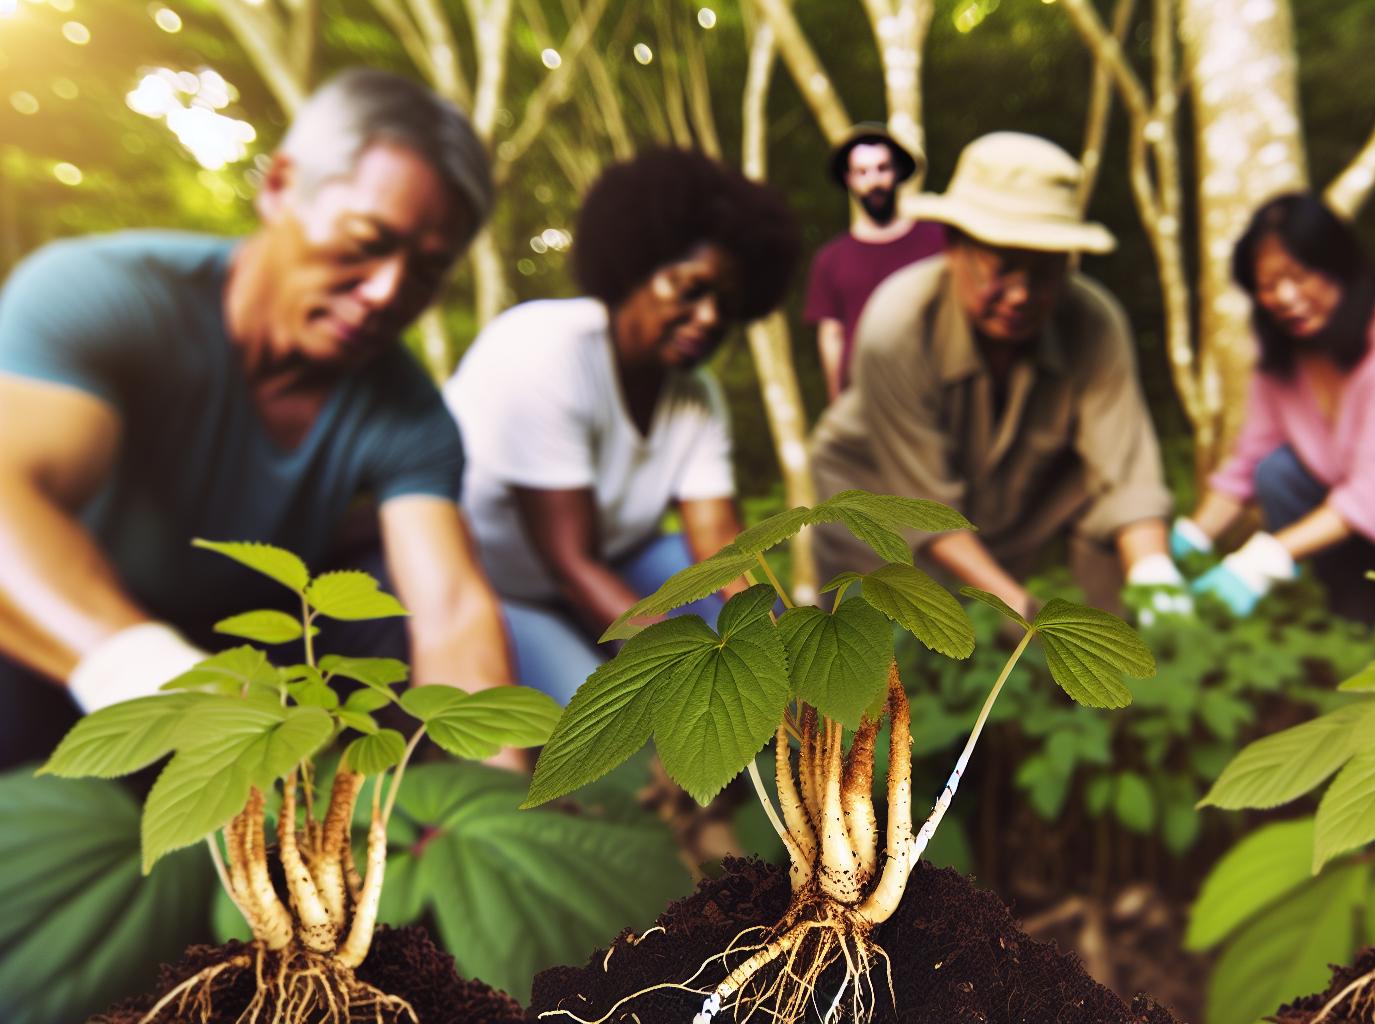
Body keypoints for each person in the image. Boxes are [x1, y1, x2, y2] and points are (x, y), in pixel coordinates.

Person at [0, 68, 518, 769]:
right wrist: (158, 682)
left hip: (253, 668)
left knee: (384, 599)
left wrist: (502, 809)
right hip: (60, 649)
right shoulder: (98, 296)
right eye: (365, 241)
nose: (385, 292)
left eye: (426, 271)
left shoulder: (413, 415)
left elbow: (452, 612)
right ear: (279, 188)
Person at [447, 149, 800, 703]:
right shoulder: (542, 352)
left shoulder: (696, 395)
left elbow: (716, 545)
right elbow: (572, 565)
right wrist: (684, 682)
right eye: (691, 289)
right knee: (602, 723)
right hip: (501, 586)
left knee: (729, 599)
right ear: (635, 267)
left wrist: (787, 656)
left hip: (613, 569)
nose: (709, 318)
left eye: (726, 304)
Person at [808, 132, 1183, 618]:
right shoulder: (896, 325)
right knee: (878, 657)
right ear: (953, 248)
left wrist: (1156, 578)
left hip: (1007, 499)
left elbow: (1126, 471)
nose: (1022, 295)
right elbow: (922, 504)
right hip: (876, 496)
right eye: (1003, 269)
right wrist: (1027, 620)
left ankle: (1130, 662)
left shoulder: (1094, 321)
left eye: (1046, 271)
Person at [1179, 193, 1375, 616]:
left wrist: (1258, 561)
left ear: (1340, 267)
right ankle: (1343, 612)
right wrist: (1188, 541)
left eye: (1299, 276)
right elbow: (1247, 464)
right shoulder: (1284, 353)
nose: (1285, 297)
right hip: (1355, 526)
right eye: (1266, 286)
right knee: (1277, 471)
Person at [803, 123, 948, 400]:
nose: (874, 181)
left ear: (898, 172)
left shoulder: (937, 241)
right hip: (863, 401)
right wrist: (837, 404)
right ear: (849, 179)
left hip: (934, 393)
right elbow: (831, 337)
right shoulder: (831, 259)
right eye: (862, 172)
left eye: (882, 168)